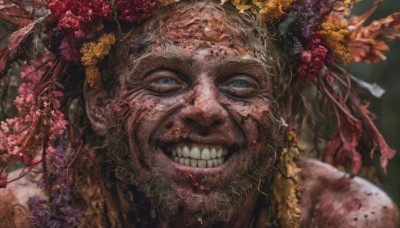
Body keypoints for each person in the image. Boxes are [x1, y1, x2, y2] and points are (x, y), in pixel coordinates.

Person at [0, 0, 399, 227]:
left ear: (285, 109)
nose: (205, 108)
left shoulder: (347, 219)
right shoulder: (28, 213)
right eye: (165, 80)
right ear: (99, 103)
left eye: (240, 84)